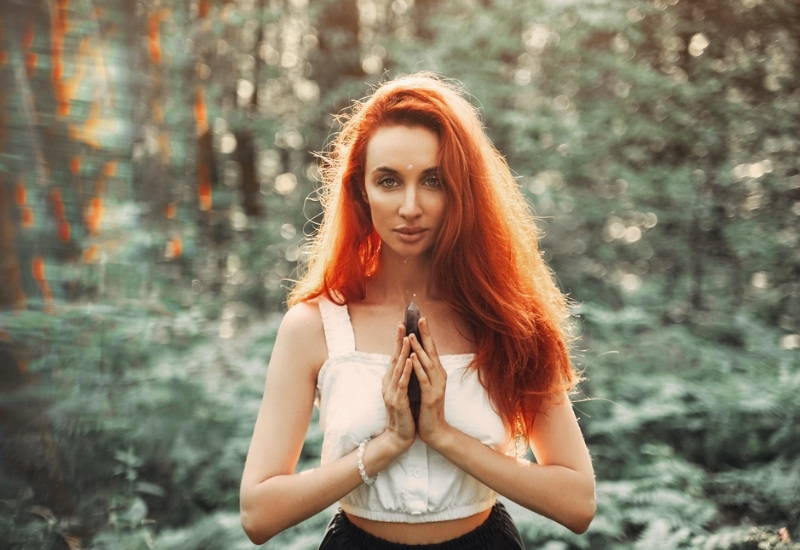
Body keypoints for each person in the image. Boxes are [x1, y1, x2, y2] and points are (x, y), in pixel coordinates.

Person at [239, 72, 595, 549]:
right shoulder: (314, 325)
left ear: (463, 191)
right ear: (361, 191)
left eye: (433, 180)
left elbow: (577, 503)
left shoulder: (509, 318)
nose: (410, 206)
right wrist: (386, 446)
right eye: (388, 181)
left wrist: (443, 435)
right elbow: (258, 514)